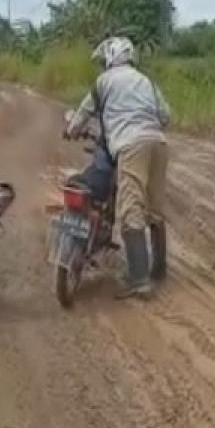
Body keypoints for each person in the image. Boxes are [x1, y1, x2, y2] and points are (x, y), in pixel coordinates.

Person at [65, 36, 171, 298]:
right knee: (154, 209)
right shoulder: (145, 80)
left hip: (130, 144)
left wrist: (71, 129)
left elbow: (84, 112)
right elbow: (166, 115)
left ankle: (140, 281)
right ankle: (158, 269)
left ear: (111, 57)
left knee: (130, 209)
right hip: (157, 143)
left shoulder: (105, 80)